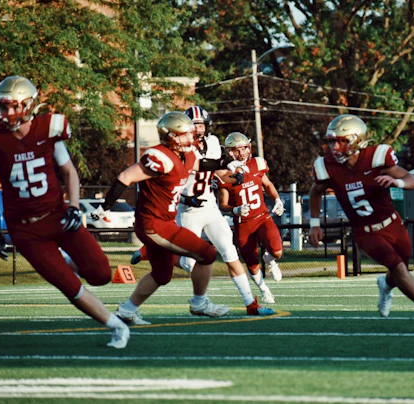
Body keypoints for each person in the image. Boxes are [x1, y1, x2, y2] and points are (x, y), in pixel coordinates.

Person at [0, 75, 130, 348]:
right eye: (2, 106)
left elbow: (69, 171)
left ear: (29, 105)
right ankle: (117, 327)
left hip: (59, 217)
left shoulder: (49, 129)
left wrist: (74, 206)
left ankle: (67, 259)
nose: (6, 113)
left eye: (12, 106)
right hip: (25, 230)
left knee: (102, 274)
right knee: (69, 286)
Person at [130, 107, 275, 316]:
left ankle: (252, 304)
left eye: (200, 124)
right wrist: (184, 197)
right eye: (193, 124)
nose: (197, 129)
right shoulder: (180, 148)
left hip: (209, 206)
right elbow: (167, 184)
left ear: (207, 126)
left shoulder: (214, 143)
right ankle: (156, 252)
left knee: (230, 252)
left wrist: (235, 178)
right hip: (187, 209)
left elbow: (219, 173)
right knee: (190, 263)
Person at [92, 111, 232, 325]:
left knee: (162, 274)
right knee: (207, 253)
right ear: (171, 136)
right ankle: (199, 303)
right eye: (185, 134)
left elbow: (201, 165)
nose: (191, 137)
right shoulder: (160, 157)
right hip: (154, 224)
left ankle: (126, 311)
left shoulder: (187, 155)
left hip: (163, 222)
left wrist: (224, 162)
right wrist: (105, 207)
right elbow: (125, 177)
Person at [307, 114, 414, 328]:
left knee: (399, 270)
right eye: (332, 141)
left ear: (356, 140)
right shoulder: (326, 166)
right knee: (398, 267)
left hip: (393, 224)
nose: (335, 146)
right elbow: (315, 191)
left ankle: (385, 285)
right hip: (365, 232)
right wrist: (314, 224)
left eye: (342, 141)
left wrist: (396, 182)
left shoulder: (376, 157)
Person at [217, 132, 285, 303]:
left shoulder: (257, 164)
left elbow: (268, 185)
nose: (241, 153)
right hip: (243, 223)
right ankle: (264, 290)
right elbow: (223, 205)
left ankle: (269, 260)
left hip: (262, 217)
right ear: (229, 152)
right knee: (251, 263)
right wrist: (235, 210)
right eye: (236, 150)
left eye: (244, 148)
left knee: (277, 251)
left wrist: (277, 200)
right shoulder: (224, 175)